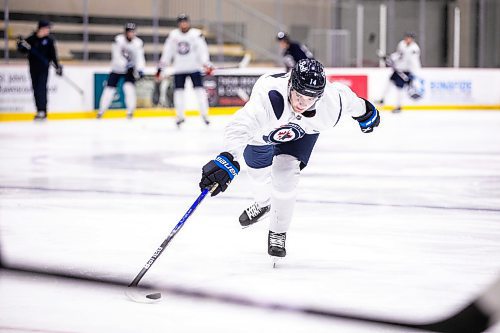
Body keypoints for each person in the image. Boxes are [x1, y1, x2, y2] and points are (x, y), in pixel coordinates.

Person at [198, 59, 380, 262]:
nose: (302, 103)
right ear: (290, 85)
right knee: (258, 177)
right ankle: (264, 203)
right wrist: (228, 157)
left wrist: (366, 113)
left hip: (302, 134)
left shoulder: (331, 103)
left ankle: (278, 231)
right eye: (299, 95)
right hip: (263, 134)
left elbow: (352, 101)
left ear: (319, 96)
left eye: (311, 98)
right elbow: (241, 126)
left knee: (285, 176)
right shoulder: (270, 97)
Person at [156, 14, 213, 127]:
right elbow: (167, 52)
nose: (183, 24)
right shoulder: (173, 35)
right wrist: (161, 67)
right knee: (179, 93)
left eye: (185, 21)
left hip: (194, 68)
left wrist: (206, 63)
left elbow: (202, 51)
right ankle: (180, 116)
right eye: (181, 22)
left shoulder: (196, 34)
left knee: (200, 92)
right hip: (179, 69)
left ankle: (205, 115)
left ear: (188, 22)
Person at [17, 20, 63, 121]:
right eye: (47, 28)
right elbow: (22, 50)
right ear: (41, 28)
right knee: (36, 89)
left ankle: (43, 111)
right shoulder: (31, 39)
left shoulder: (49, 41)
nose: (48, 30)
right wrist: (20, 44)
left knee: (41, 88)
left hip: (44, 68)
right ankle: (39, 110)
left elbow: (53, 55)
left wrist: (57, 66)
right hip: (33, 68)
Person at [97, 23, 145, 119]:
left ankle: (130, 112)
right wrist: (124, 64)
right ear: (125, 32)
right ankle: (101, 111)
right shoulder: (118, 40)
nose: (130, 34)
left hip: (129, 70)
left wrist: (140, 69)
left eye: (132, 32)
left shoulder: (138, 43)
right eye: (129, 32)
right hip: (117, 69)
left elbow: (140, 57)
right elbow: (116, 56)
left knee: (129, 89)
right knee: (109, 89)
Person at [377, 32, 422, 113]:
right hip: (398, 70)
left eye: (409, 38)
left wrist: (412, 74)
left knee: (399, 88)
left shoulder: (414, 49)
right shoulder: (401, 44)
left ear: (412, 39)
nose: (407, 39)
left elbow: (413, 62)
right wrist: (389, 57)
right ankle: (382, 100)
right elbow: (399, 54)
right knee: (389, 82)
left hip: (406, 71)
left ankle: (399, 106)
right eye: (406, 37)